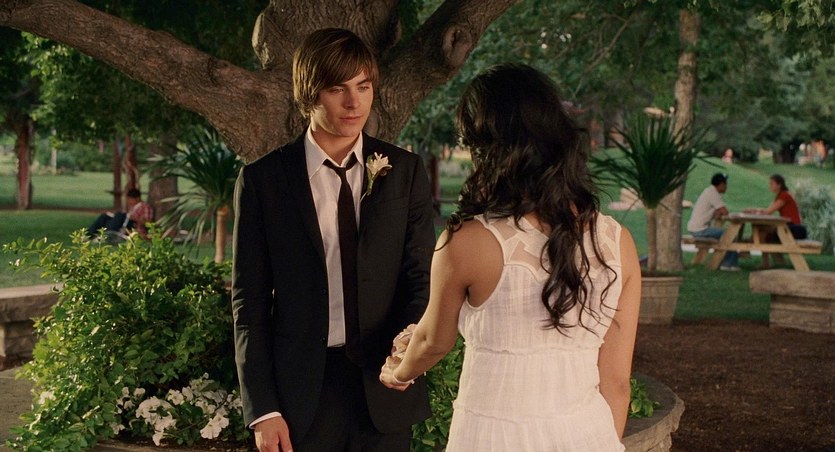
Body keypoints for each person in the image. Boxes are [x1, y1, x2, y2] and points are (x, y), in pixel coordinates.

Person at [379, 63, 641, 451]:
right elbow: (617, 383)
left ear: (488, 148)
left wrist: (399, 373)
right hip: (588, 434)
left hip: (491, 437)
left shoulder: (467, 242)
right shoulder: (618, 243)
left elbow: (434, 341)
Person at [232, 28, 434, 452]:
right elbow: (249, 302)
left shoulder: (405, 170)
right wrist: (263, 409)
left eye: (363, 86)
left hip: (386, 387)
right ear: (310, 94)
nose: (354, 102)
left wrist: (406, 357)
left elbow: (421, 278)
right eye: (337, 89)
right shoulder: (263, 181)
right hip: (301, 395)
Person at [746, 174, 807, 269]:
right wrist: (754, 210)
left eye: (772, 184)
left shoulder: (784, 195)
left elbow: (768, 212)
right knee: (762, 231)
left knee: (761, 230)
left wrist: (754, 211)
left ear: (779, 185)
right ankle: (757, 257)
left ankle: (748, 252)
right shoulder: (781, 195)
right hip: (789, 228)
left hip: (795, 229)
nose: (770, 186)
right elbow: (768, 210)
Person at [686, 173, 740, 271]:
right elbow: (724, 211)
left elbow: (717, 211)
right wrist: (721, 212)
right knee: (729, 234)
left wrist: (717, 213)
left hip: (695, 228)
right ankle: (728, 264)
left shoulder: (708, 191)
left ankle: (728, 261)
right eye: (725, 184)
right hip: (700, 230)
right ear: (721, 184)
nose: (726, 187)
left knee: (727, 234)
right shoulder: (713, 194)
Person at [86, 188, 154, 240]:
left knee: (120, 215)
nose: (128, 201)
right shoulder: (132, 207)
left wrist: (134, 218)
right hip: (125, 222)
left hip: (133, 225)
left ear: (137, 198)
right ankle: (88, 235)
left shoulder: (145, 207)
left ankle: (109, 235)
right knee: (104, 216)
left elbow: (148, 223)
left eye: (130, 199)